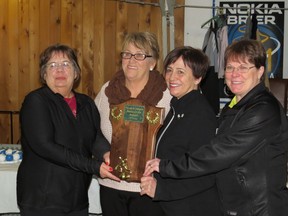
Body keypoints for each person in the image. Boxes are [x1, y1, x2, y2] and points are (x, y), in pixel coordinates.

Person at [143, 39, 288, 216]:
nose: (235, 74)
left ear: (260, 71)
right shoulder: (234, 106)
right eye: (229, 68)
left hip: (258, 208)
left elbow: (218, 153)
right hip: (236, 205)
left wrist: (167, 168)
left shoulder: (263, 110)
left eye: (243, 68)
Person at [17, 44, 119, 216]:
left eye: (66, 64)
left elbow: (95, 137)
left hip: (76, 198)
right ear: (44, 73)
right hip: (43, 201)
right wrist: (94, 166)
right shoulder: (36, 102)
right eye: (52, 65)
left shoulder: (86, 103)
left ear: (76, 72)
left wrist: (106, 154)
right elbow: (45, 146)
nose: (59, 70)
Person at [95, 32, 171, 216]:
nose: (131, 60)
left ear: (152, 63)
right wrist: (103, 152)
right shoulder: (107, 90)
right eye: (127, 54)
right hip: (111, 184)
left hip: (148, 188)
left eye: (140, 55)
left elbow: (175, 140)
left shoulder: (167, 95)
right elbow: (92, 131)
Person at [140, 46, 222, 216]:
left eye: (181, 72)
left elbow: (205, 174)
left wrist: (161, 190)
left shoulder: (200, 114)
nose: (172, 77)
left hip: (193, 208)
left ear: (198, 77)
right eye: (169, 70)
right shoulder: (178, 106)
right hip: (173, 206)